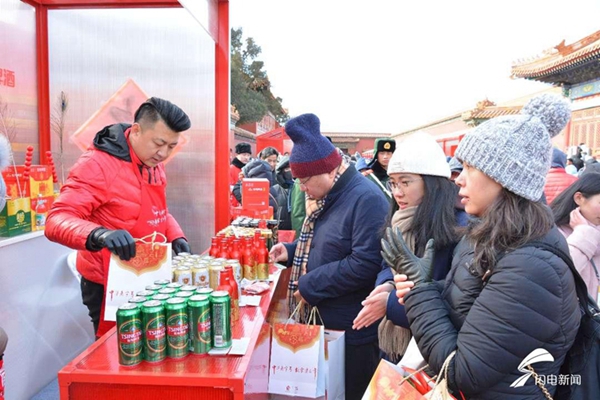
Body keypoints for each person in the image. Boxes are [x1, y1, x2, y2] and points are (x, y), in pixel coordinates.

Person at [392, 94, 579, 398]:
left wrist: (419, 294)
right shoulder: (489, 235)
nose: (459, 179)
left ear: (504, 178)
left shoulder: (531, 267)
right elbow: (470, 307)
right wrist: (426, 286)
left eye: (469, 167)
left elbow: (461, 373)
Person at [45, 97, 192, 338]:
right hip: (108, 283)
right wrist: (99, 234)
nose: (163, 153)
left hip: (147, 274)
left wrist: (176, 236)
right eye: (159, 143)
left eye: (171, 146)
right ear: (136, 130)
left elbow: (157, 209)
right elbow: (57, 220)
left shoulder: (153, 162)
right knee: (117, 353)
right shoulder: (97, 164)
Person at [269, 113, 388, 400]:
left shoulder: (366, 199)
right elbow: (326, 244)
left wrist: (309, 286)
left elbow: (365, 262)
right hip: (326, 320)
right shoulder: (328, 197)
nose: (301, 187)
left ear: (328, 170)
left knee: (350, 391)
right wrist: (291, 250)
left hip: (352, 329)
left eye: (304, 179)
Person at [352, 132, 466, 362]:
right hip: (398, 345)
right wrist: (387, 285)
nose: (397, 192)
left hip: (435, 348)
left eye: (406, 182)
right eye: (393, 183)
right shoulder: (399, 218)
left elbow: (457, 295)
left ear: (433, 182)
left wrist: (392, 303)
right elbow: (388, 262)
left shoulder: (460, 226)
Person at [551, 173, 600, 303]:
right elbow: (558, 276)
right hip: (575, 317)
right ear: (579, 198)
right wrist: (584, 234)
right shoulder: (555, 233)